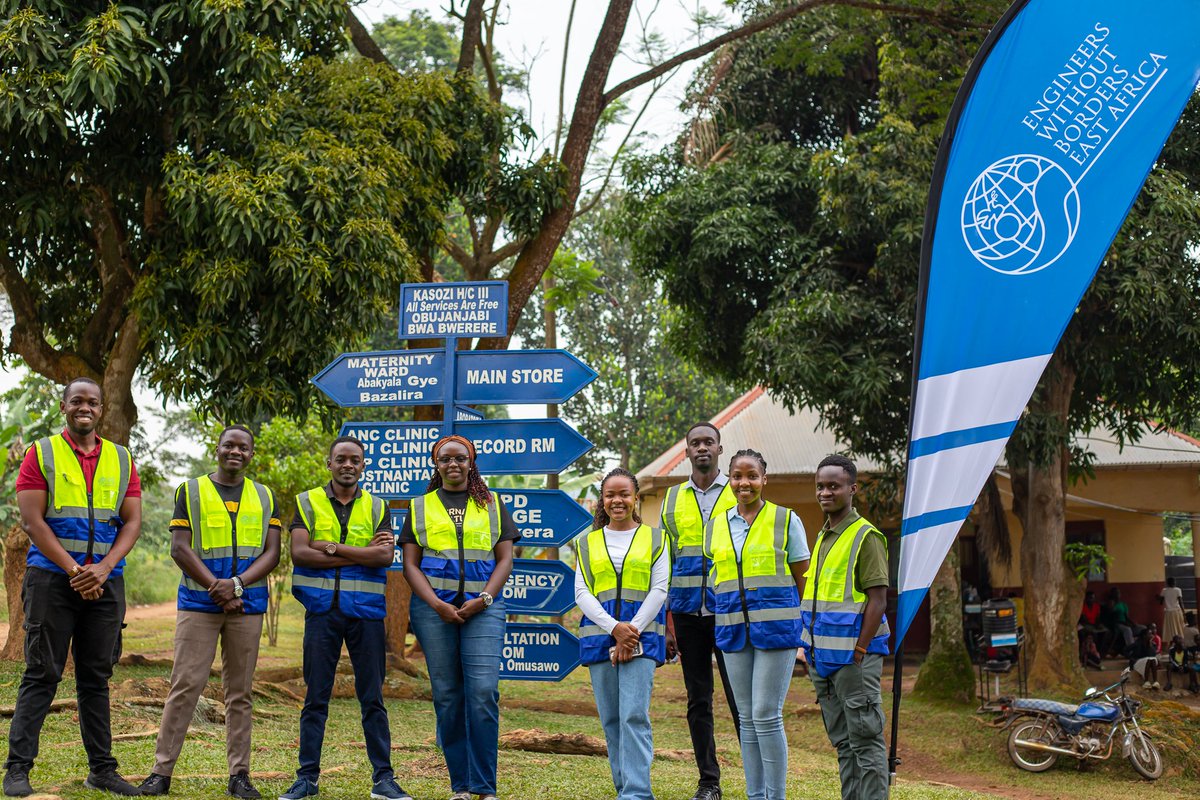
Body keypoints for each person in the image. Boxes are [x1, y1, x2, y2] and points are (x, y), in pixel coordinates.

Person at [3, 377, 143, 798]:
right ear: (64, 406)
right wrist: (75, 571)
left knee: (95, 679)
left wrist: (103, 568)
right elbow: (32, 521)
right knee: (42, 672)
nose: (85, 407)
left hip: (106, 583)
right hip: (51, 579)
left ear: (102, 409)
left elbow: (132, 521)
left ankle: (102, 770)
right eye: (77, 400)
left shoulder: (121, 459)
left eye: (93, 402)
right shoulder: (41, 453)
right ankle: (16, 769)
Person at [139, 425, 281, 798]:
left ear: (252, 454)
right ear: (217, 449)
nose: (236, 451)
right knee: (185, 686)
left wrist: (234, 586)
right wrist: (217, 589)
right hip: (198, 603)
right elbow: (179, 549)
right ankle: (160, 773)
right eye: (229, 445)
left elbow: (273, 553)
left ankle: (240, 775)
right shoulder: (191, 490)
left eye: (243, 447)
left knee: (240, 691)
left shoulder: (265, 496)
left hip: (247, 606)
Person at [279, 437, 410, 800]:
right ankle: (307, 778)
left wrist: (332, 548)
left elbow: (384, 558)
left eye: (355, 459)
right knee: (315, 697)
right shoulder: (307, 501)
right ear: (329, 464)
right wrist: (360, 553)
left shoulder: (378, 506)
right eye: (341, 459)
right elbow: (301, 554)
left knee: (372, 698)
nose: (348, 465)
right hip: (321, 611)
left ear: (363, 465)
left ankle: (383, 779)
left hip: (366, 615)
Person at [402, 434, 519, 800]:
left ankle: (485, 786)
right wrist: (437, 604)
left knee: (483, 692)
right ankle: (462, 786)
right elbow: (410, 564)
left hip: (483, 609)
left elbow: (505, 559)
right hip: (433, 610)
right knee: (448, 696)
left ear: (472, 463)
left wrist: (484, 598)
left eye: (460, 458)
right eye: (445, 459)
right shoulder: (419, 506)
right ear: (436, 465)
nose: (453, 464)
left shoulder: (494, 504)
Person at [704, 450, 809, 800]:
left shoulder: (786, 520)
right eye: (737, 476)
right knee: (746, 718)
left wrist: (799, 625)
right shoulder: (717, 525)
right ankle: (755, 794)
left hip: (776, 630)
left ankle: (775, 796)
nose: (743, 482)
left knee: (766, 714)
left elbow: (801, 577)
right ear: (729, 479)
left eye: (751, 476)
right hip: (732, 628)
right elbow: (717, 573)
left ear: (765, 479)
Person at [575, 468, 669, 800]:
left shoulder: (656, 538)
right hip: (599, 637)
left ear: (635, 498)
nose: (618, 500)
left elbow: (659, 590)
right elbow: (582, 592)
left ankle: (638, 792)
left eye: (624, 494)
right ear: (603, 500)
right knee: (612, 719)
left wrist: (631, 632)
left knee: (634, 715)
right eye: (611, 495)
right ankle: (623, 789)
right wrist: (614, 629)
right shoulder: (587, 541)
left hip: (642, 638)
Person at [800, 454, 890, 800]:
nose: (825, 492)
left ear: (852, 489)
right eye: (821, 486)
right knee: (843, 743)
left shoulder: (865, 536)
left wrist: (860, 651)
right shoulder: (825, 535)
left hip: (854, 660)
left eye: (833, 486)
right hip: (823, 660)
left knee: (866, 742)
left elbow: (878, 600)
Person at [658, 422, 740, 800]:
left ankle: (757, 780)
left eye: (709, 442)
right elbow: (664, 564)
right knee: (698, 700)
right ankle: (709, 783)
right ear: (687, 451)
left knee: (742, 700)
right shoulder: (672, 499)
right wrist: (668, 623)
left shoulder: (738, 491)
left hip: (731, 615)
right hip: (688, 615)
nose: (702, 448)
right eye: (695, 443)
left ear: (720, 449)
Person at [1128, 626, 1161, 690]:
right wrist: (1130, 658)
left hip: (1148, 662)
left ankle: (1155, 682)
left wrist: (1150, 644)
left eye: (1151, 634)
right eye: (1149, 634)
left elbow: (1152, 655)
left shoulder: (1152, 644)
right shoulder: (1138, 643)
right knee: (1149, 659)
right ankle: (1146, 681)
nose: (1151, 635)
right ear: (1144, 636)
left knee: (1152, 659)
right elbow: (1126, 650)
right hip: (1137, 662)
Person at [1077, 590, 1108, 657]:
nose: (1091, 600)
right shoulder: (1083, 606)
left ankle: (1100, 651)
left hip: (1094, 624)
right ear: (1086, 598)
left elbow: (1098, 617)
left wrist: (1097, 624)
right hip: (1086, 624)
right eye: (1090, 598)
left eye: (1093, 598)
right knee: (1094, 633)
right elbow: (1083, 619)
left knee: (1106, 632)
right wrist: (1094, 625)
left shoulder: (1096, 606)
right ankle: (1093, 651)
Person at [1159, 576, 1186, 642]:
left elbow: (1161, 602)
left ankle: (1172, 642)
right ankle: (1180, 641)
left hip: (1168, 613)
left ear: (1167, 583)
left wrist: (1158, 597)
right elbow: (1180, 602)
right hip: (1177, 612)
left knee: (1170, 629)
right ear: (1175, 582)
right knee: (1179, 628)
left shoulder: (1164, 590)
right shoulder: (1178, 590)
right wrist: (1184, 612)